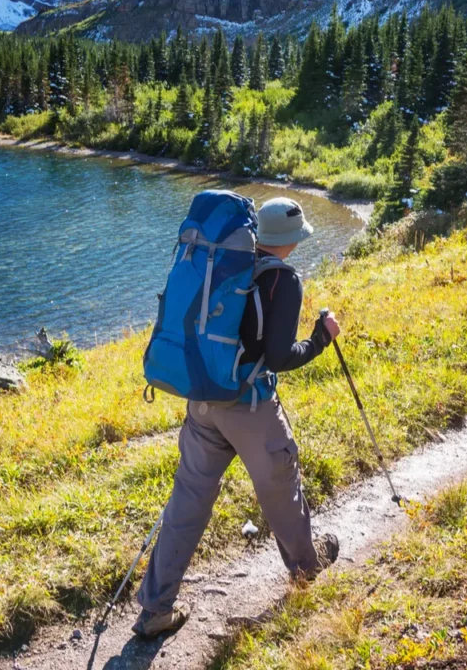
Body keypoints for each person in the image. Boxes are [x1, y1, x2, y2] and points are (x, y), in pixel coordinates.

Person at [132, 197, 343, 638]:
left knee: (187, 502)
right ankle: (307, 568)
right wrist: (321, 338)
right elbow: (280, 356)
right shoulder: (282, 280)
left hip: (203, 400)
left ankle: (155, 608)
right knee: (281, 488)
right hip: (250, 408)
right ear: (289, 241)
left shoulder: (224, 263)